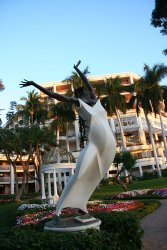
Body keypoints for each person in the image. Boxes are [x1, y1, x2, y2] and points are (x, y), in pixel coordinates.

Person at [20, 61, 116, 223]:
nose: (84, 94)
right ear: (79, 97)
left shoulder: (95, 100)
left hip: (109, 145)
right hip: (94, 145)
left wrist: (77, 69)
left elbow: (86, 81)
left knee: (96, 174)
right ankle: (59, 210)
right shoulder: (80, 103)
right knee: (79, 174)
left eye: (83, 92)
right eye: (80, 94)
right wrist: (35, 84)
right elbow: (56, 96)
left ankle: (82, 205)